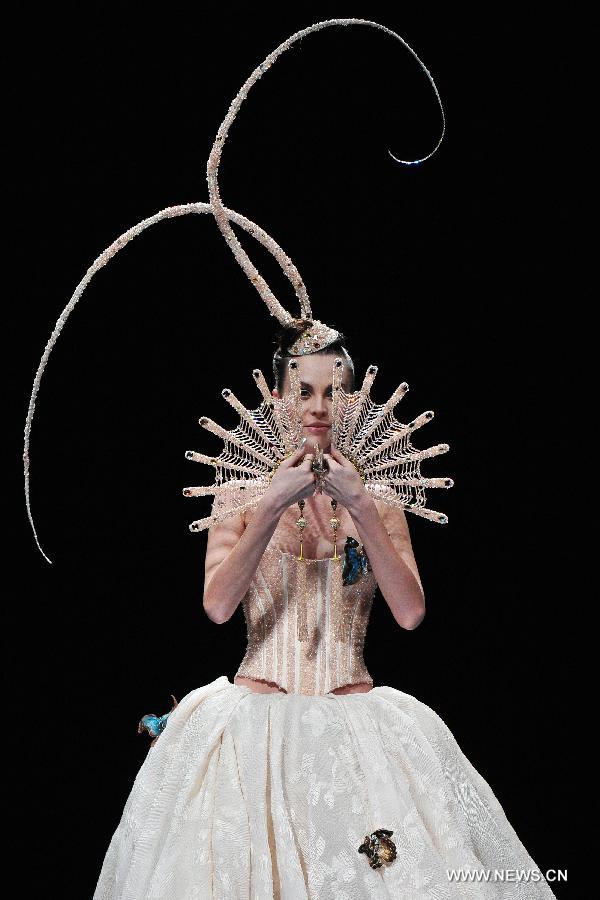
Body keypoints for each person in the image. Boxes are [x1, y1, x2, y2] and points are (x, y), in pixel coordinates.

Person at [22, 18, 558, 899]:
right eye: (302, 390)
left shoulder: (375, 496)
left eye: (330, 390)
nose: (316, 406)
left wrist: (359, 507)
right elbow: (216, 605)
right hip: (252, 718)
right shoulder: (240, 494)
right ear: (279, 398)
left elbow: (414, 616)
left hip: (361, 719)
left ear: (349, 398)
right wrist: (269, 507)